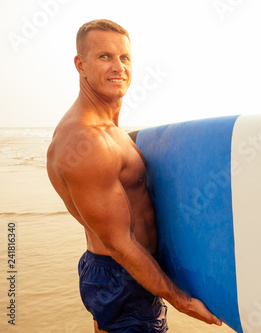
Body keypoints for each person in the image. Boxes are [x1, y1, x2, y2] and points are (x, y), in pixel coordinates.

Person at [46, 19, 222, 332]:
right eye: (104, 57)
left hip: (116, 274)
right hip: (122, 276)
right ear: (80, 64)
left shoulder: (109, 131)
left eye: (124, 57)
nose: (118, 67)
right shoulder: (86, 142)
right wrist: (182, 301)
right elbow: (120, 244)